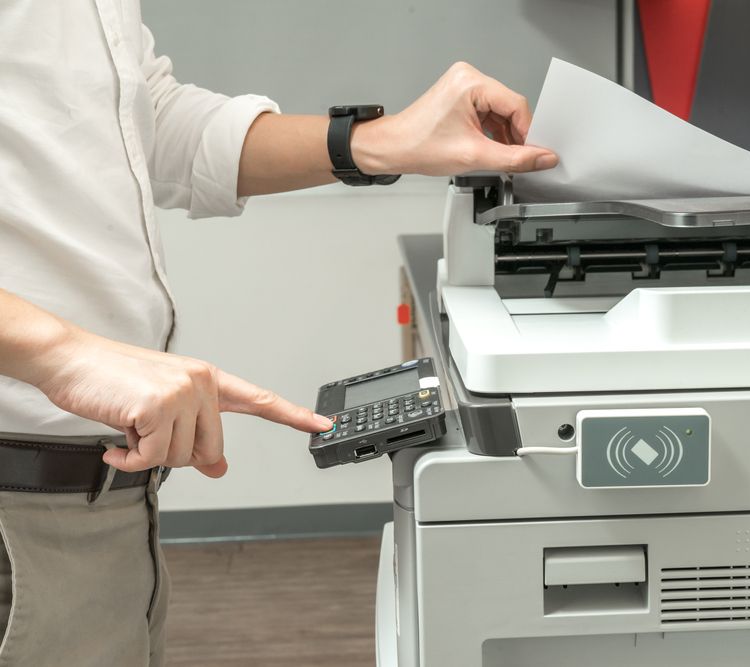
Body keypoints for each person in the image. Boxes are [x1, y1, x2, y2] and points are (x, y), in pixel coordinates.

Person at [0, 1, 558, 664]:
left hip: (110, 499)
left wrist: (377, 143)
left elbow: (141, 117)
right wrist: (64, 356)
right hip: (19, 504)